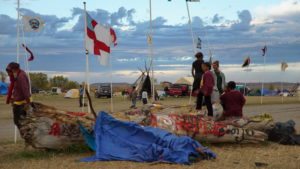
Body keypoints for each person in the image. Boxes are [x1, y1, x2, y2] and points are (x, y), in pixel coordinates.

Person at [5, 62, 31, 129]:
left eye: (9, 72)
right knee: (18, 122)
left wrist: (28, 103)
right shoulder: (16, 76)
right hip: (19, 102)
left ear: (13, 70)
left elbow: (25, 90)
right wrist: (12, 98)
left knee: (21, 123)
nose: (8, 74)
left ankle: (28, 136)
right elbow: (16, 88)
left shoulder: (21, 76)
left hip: (23, 103)